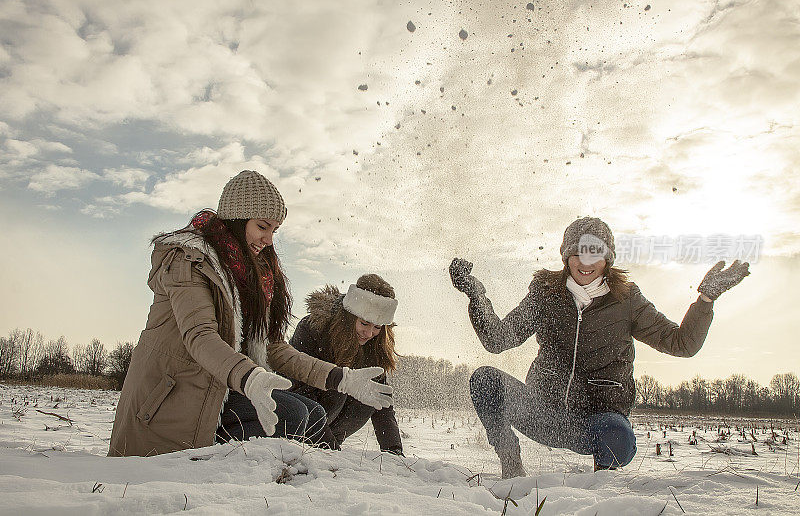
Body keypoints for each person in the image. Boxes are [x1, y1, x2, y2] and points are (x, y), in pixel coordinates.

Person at [109, 170, 392, 456]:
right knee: (293, 414)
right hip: (180, 395)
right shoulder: (190, 261)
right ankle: (233, 468)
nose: (268, 240)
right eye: (262, 227)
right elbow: (200, 336)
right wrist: (251, 378)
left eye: (274, 231)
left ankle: (281, 466)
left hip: (222, 388)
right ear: (237, 218)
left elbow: (273, 349)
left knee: (313, 414)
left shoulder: (255, 275)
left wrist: (340, 378)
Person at [449, 217, 750, 477]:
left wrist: (706, 301)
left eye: (595, 254)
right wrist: (476, 294)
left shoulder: (627, 300)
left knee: (617, 436)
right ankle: (511, 466)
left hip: (595, 423)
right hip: (543, 414)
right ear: (566, 257)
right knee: (485, 380)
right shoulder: (545, 294)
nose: (586, 263)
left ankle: (601, 485)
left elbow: (682, 343)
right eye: (578, 253)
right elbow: (499, 339)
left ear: (608, 259)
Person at [280, 274, 403, 455]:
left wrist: (394, 451)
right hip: (297, 421)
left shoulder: (373, 346)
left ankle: (330, 445)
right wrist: (329, 447)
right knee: (338, 384)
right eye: (364, 323)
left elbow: (382, 404)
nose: (369, 333)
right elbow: (299, 391)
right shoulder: (313, 329)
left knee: (371, 392)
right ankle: (322, 446)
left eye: (377, 327)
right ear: (349, 315)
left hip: (331, 432)